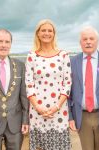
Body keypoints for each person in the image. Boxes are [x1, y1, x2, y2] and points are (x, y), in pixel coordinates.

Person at [25, 19, 72, 150]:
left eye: (49, 30)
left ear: (54, 34)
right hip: (37, 111)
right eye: (43, 30)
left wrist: (56, 107)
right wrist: (38, 107)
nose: (46, 33)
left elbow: (67, 83)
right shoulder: (31, 56)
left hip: (59, 110)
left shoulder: (63, 55)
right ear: (38, 34)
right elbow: (29, 84)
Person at [0, 29, 29, 150]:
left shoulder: (20, 65)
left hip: (15, 124)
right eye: (0, 41)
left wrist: (25, 120)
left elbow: (24, 96)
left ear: (10, 44)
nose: (3, 45)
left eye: (7, 42)